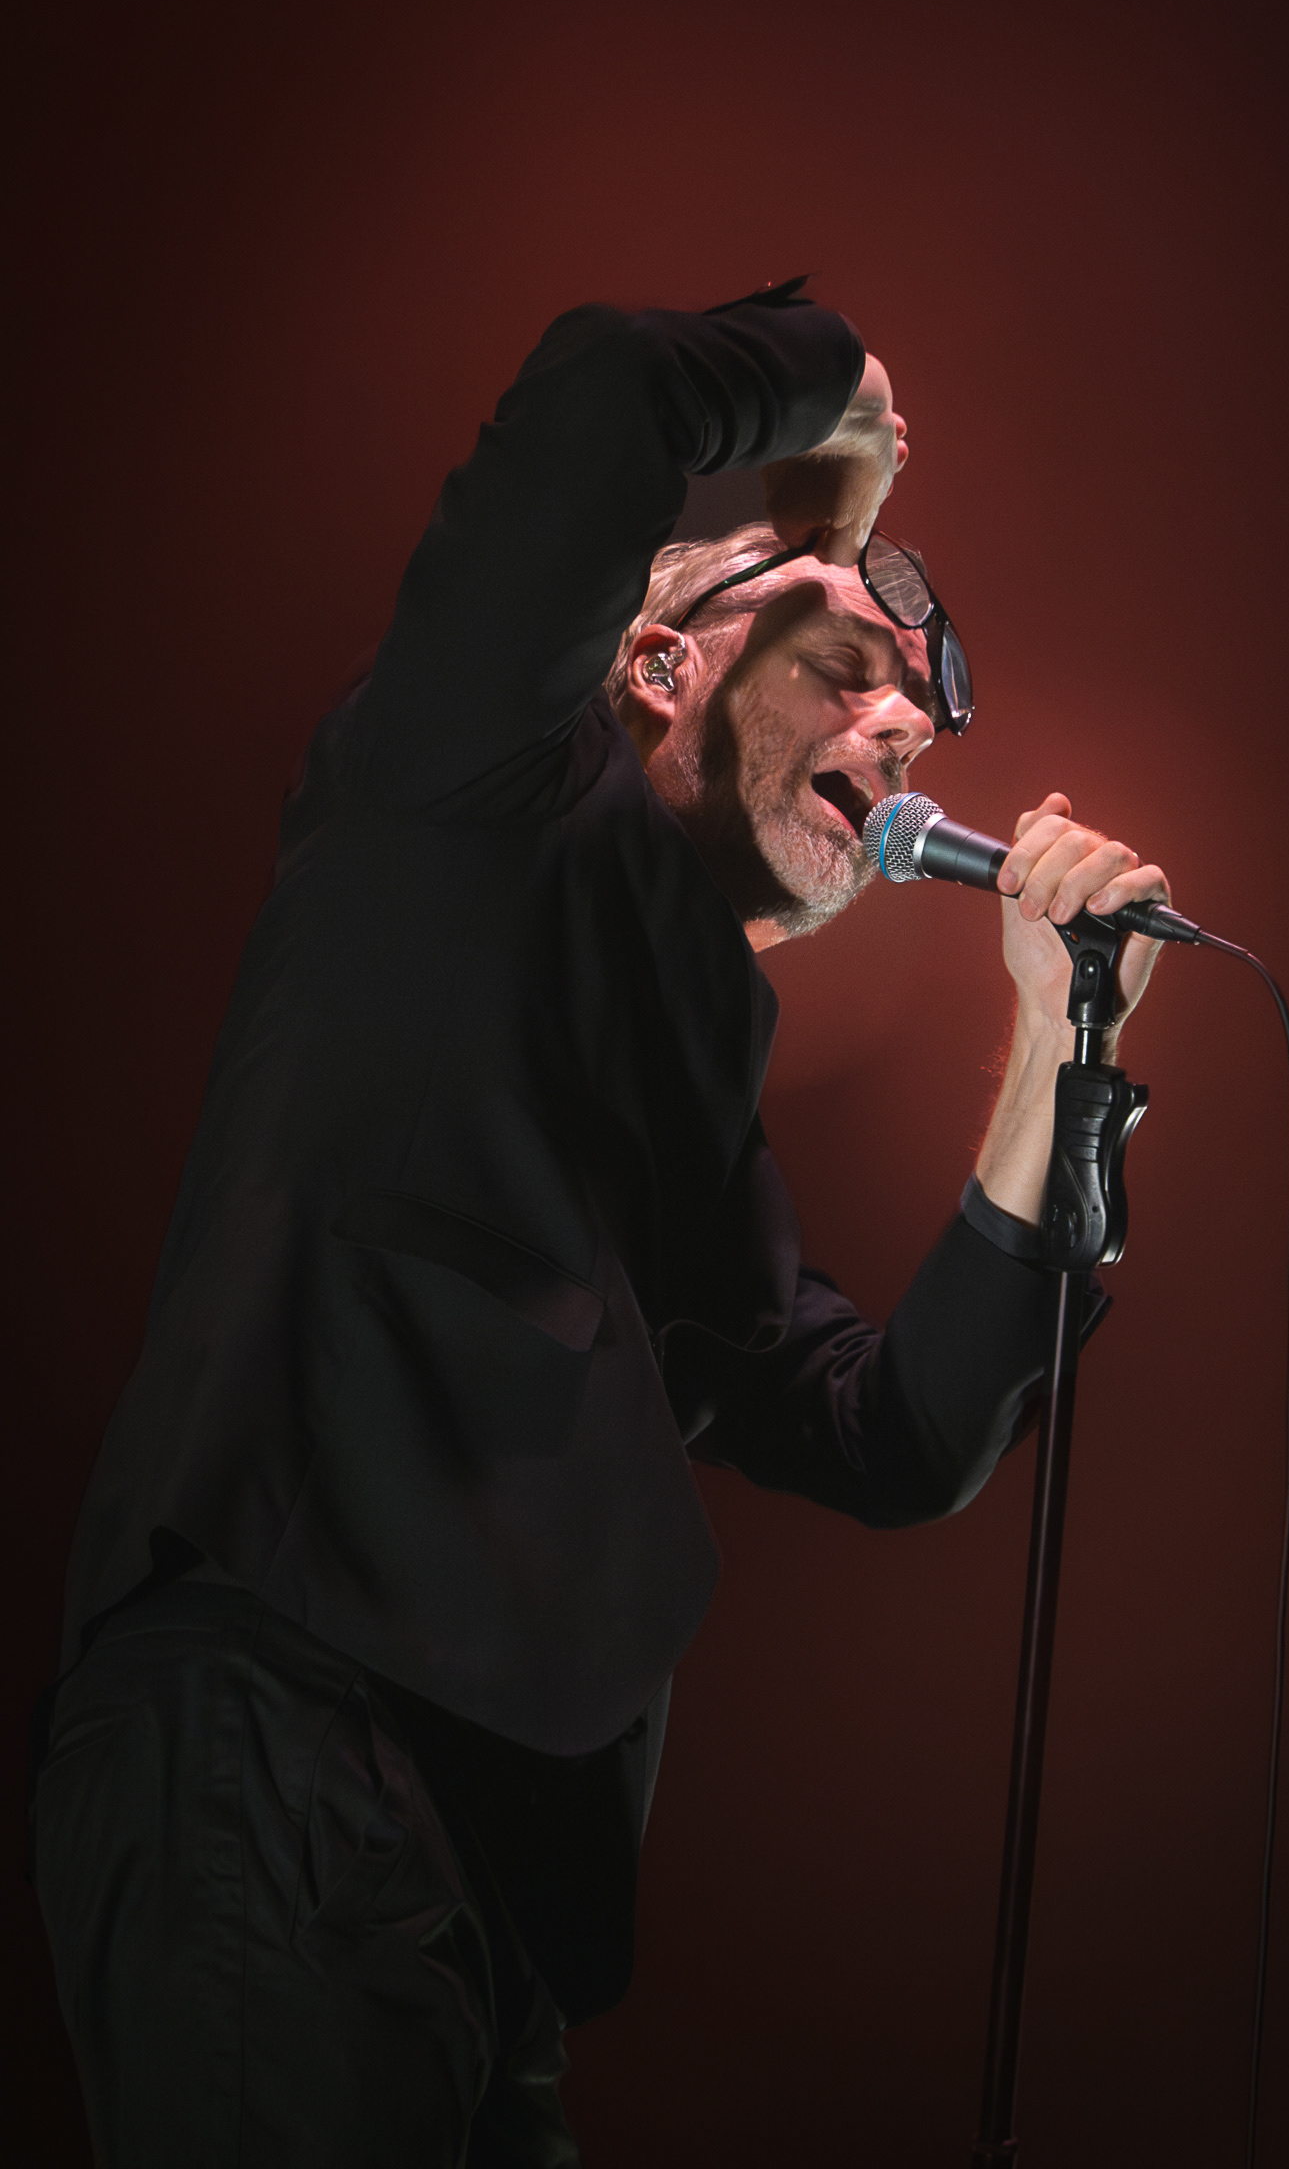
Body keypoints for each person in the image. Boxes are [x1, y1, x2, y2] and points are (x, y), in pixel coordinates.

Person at [31, 278, 1173, 2167]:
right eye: (852, 666)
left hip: (491, 1885)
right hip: (283, 1743)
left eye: (914, 704)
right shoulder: (461, 788)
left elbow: (893, 1434)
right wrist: (846, 419)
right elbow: (605, 392)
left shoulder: (682, 1100)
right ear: (657, 664)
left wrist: (1061, 1043)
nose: (907, 729)